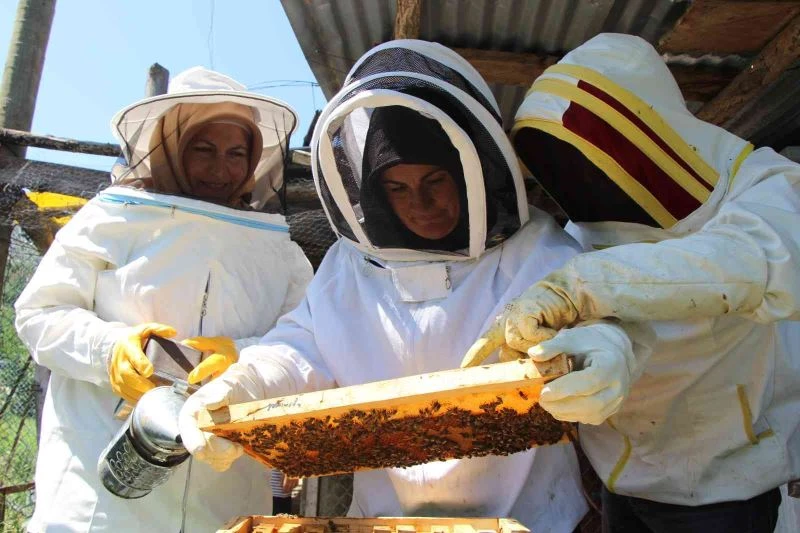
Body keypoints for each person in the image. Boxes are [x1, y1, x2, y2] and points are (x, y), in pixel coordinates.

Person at [178, 40, 654, 533]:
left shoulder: (536, 250)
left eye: (435, 181)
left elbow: (594, 323)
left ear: (470, 174)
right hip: (383, 520)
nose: (419, 204)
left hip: (535, 516)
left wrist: (606, 350)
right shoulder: (349, 266)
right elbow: (300, 349)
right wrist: (244, 383)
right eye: (397, 188)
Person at [463, 33, 800, 532]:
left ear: (645, 129)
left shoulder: (767, 185)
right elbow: (625, 323)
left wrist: (583, 285)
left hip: (724, 489)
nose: (586, 177)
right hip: (620, 483)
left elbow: (753, 261)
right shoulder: (588, 235)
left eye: (595, 153)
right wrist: (597, 350)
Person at [14, 67, 314, 532]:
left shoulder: (280, 251)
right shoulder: (109, 219)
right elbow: (39, 314)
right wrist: (109, 350)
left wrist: (244, 358)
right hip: (96, 499)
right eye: (203, 149)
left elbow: (306, 345)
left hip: (224, 499)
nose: (221, 169)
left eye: (237, 153)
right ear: (171, 146)